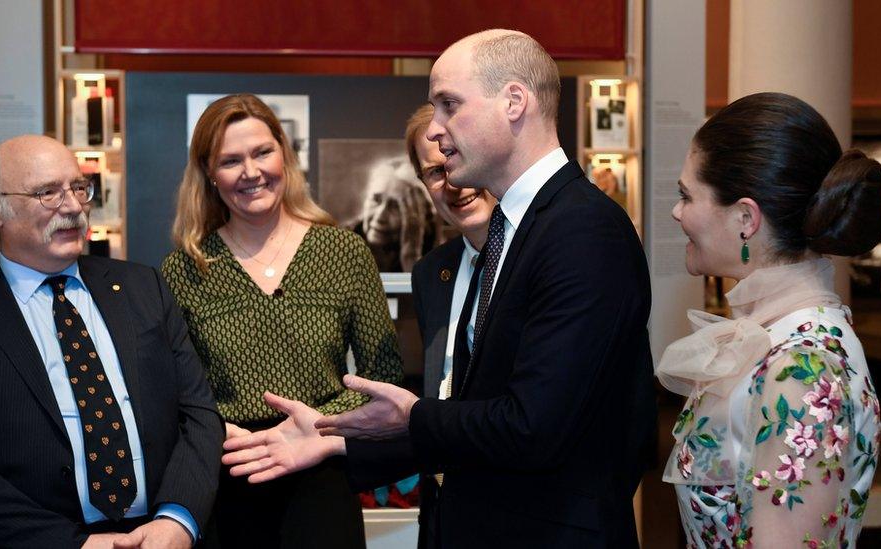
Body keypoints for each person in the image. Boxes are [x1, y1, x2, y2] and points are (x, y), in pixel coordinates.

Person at [223, 30, 656, 549]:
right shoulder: (513, 235)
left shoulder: (581, 230)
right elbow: (476, 417)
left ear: (514, 101)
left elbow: (532, 427)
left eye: (449, 105)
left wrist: (411, 415)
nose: (438, 128)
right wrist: (341, 439)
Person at [160, 93, 404, 549]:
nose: (251, 172)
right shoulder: (186, 269)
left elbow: (382, 374)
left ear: (285, 156)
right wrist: (213, 428)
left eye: (262, 152)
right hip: (230, 473)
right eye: (230, 160)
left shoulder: (343, 252)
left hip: (321, 470)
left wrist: (320, 423)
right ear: (210, 176)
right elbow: (173, 388)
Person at [0, 135, 224, 548]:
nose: (72, 207)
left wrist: (178, 519)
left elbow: (198, 413)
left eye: (78, 188)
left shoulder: (144, 288)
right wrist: (76, 544)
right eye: (47, 192)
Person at [657, 92, 881, 547]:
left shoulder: (803, 367)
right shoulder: (777, 334)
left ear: (746, 218)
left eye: (686, 195)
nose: (676, 211)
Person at [344, 103, 497, 547]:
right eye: (434, 172)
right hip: (446, 522)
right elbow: (437, 408)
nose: (453, 182)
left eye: (458, 161)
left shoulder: (547, 259)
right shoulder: (433, 274)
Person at [351, 154, 441, 272]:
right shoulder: (342, 245)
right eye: (376, 200)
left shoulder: (442, 258)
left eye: (395, 207)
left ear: (421, 217)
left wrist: (411, 257)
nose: (380, 217)